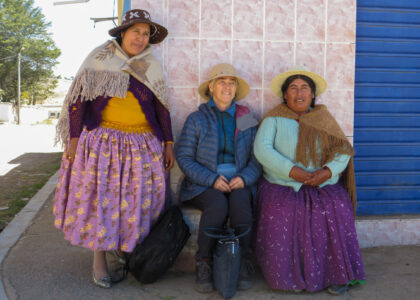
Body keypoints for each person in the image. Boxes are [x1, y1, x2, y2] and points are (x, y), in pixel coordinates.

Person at [53, 9, 174, 288]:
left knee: (138, 201)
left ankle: (129, 251)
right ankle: (99, 260)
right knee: (101, 202)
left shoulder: (150, 64)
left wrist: (168, 143)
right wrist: (72, 141)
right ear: (123, 32)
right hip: (103, 144)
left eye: (146, 34)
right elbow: (78, 100)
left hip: (143, 145)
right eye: (136, 32)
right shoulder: (99, 58)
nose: (141, 39)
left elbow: (162, 106)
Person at [254, 66, 365, 295]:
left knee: (336, 207)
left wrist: (326, 172)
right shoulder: (273, 119)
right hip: (283, 183)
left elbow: (342, 150)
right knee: (288, 211)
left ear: (313, 95)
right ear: (285, 95)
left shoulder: (323, 118)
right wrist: (293, 171)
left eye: (305, 88)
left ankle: (337, 275)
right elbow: (262, 150)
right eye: (293, 88)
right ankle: (288, 276)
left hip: (321, 182)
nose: (299, 92)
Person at [176, 63, 261, 293]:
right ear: (211, 88)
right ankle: (204, 262)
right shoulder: (197, 119)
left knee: (241, 202)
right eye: (222, 82)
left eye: (231, 82)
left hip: (239, 181)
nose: (227, 86)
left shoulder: (245, 118)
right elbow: (183, 157)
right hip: (203, 184)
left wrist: (244, 178)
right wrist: (211, 179)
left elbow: (257, 157)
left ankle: (242, 260)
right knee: (217, 204)